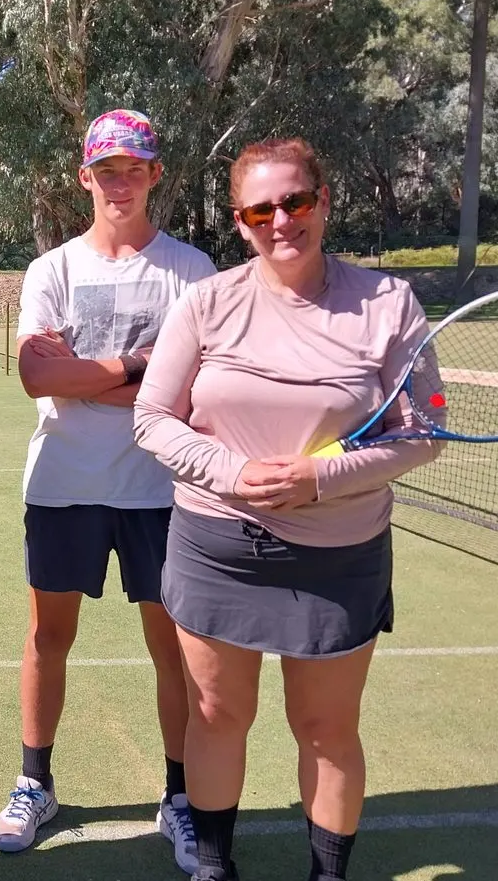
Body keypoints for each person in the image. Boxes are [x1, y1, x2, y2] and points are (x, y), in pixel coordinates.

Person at [133, 138, 444, 881]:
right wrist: (234, 472)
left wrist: (319, 479)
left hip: (339, 553)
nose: (282, 220)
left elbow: (423, 434)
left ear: (324, 201)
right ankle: (214, 867)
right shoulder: (207, 302)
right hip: (217, 546)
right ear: (240, 222)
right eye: (261, 208)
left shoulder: (388, 303)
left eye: (296, 201)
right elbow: (152, 417)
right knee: (215, 716)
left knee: (327, 727)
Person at [0, 109, 215, 873]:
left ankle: (178, 796)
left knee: (173, 648)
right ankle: (35, 782)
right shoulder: (50, 269)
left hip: (163, 489)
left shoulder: (194, 269)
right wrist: (136, 372)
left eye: (134, 167)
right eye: (105, 169)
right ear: (85, 178)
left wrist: (91, 375)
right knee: (48, 639)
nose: (119, 181)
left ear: (155, 174)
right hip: (63, 486)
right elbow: (36, 375)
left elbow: (197, 386)